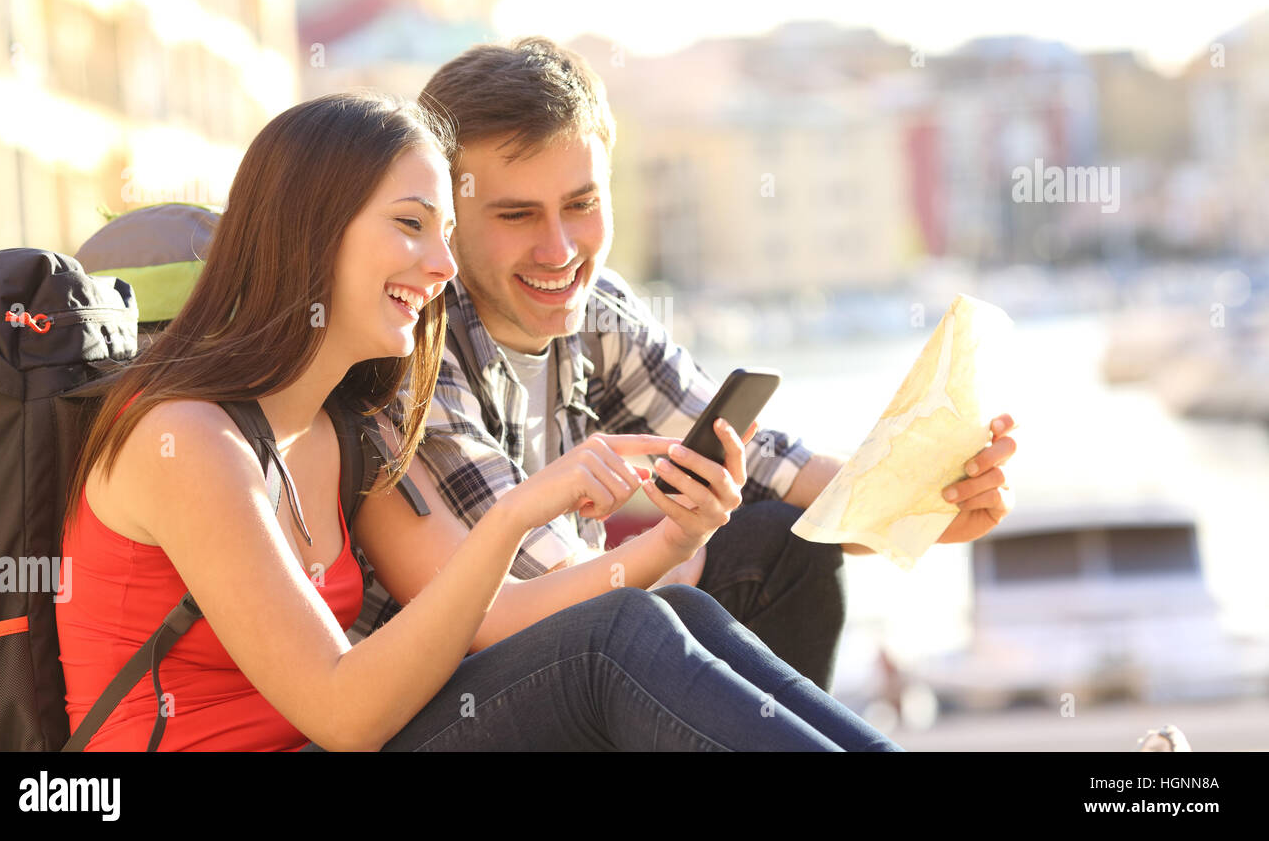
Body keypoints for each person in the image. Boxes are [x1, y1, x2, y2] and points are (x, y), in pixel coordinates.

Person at [55, 91, 904, 751]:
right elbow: (345, 711)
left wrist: (666, 546)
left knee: (668, 615)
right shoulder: (187, 438)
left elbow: (486, 616)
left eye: (448, 231)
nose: (440, 262)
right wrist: (516, 512)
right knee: (609, 640)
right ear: (310, 229)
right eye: (411, 226)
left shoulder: (342, 426)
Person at [391, 37, 1018, 693]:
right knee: (650, 617)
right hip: (469, 699)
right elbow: (543, 595)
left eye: (582, 204)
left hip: (594, 643)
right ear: (448, 219)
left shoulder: (600, 312)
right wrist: (673, 558)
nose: (560, 250)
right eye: (517, 215)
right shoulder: (421, 343)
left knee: (779, 545)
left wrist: (925, 505)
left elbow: (768, 463)